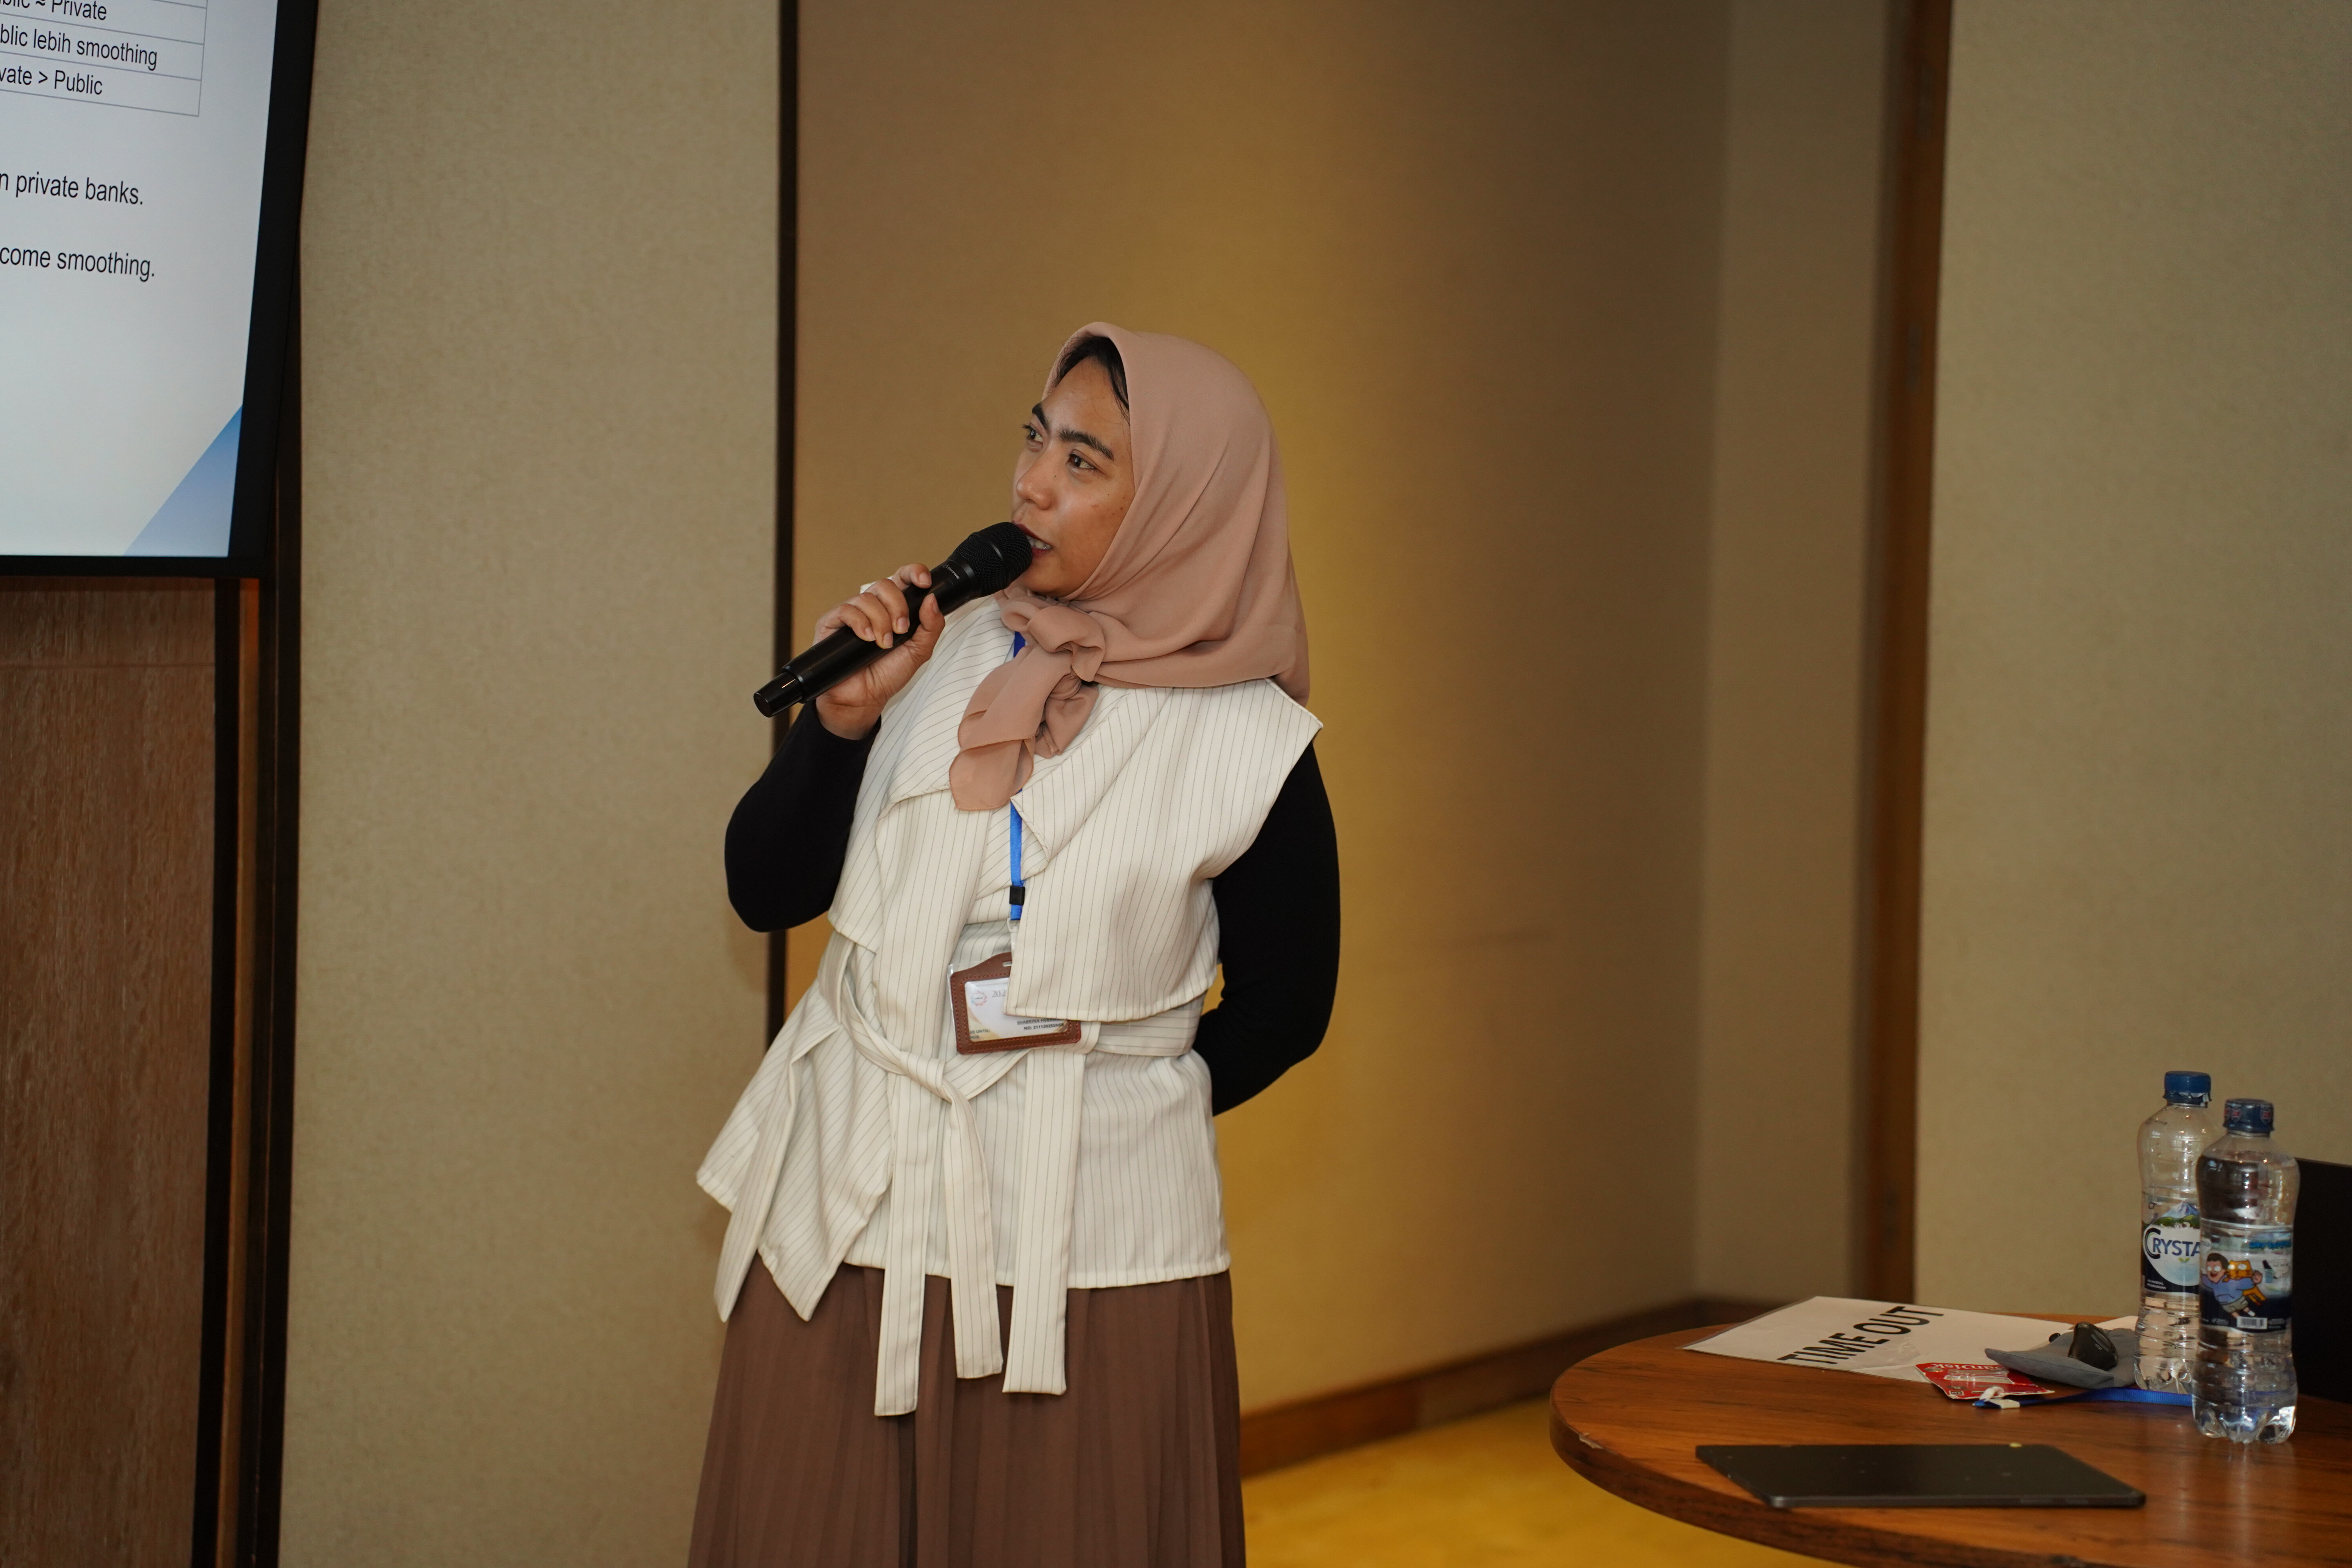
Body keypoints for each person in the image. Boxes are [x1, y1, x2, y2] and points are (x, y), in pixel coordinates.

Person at [688, 324, 1341, 1568]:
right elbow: (764, 891)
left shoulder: (1253, 739)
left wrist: (1100, 1089)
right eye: (1036, 439)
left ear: (1185, 506)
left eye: (1084, 461)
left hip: (1092, 1248)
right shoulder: (932, 652)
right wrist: (840, 725)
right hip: (851, 1209)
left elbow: (1286, 1005)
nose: (1031, 484)